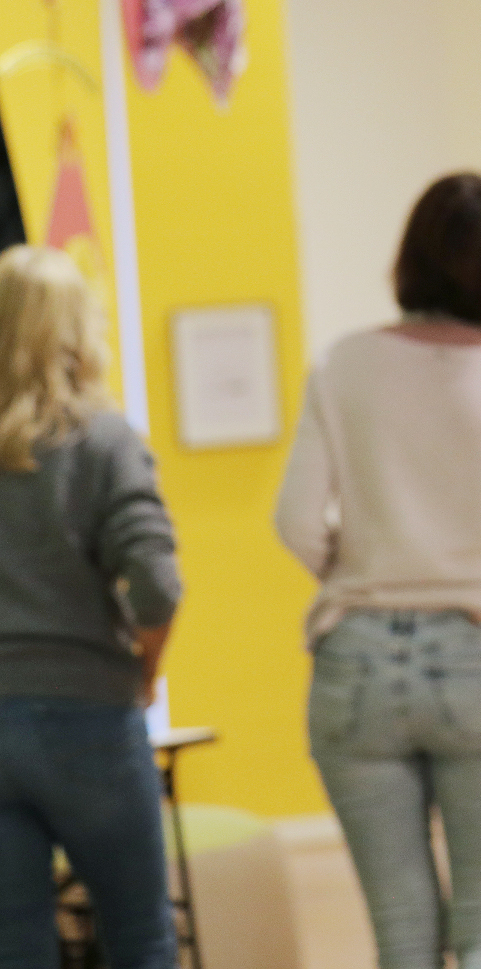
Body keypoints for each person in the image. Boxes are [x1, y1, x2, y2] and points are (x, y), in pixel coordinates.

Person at [276, 174, 481, 969]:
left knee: (402, 933)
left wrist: (361, 571)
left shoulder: (344, 363)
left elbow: (294, 518)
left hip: (355, 661)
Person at [0, 245, 182, 969]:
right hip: (89, 716)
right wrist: (147, 666)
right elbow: (157, 582)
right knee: (140, 935)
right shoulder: (103, 440)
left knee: (15, 944)